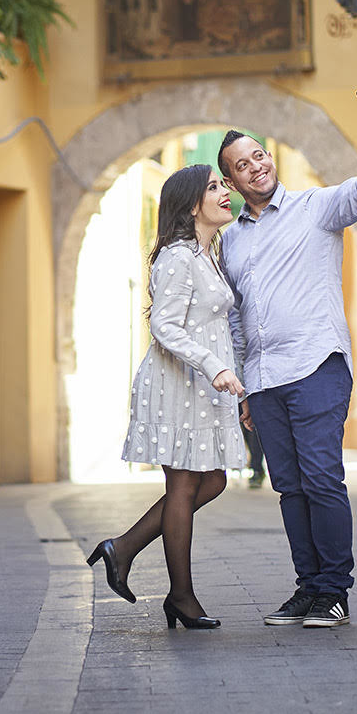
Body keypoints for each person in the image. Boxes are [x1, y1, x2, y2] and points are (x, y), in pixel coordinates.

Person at [216, 94, 357, 628]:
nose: (256, 166)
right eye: (242, 165)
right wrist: (246, 387)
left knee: (322, 479)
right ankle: (308, 587)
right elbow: (235, 319)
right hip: (266, 380)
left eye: (259, 156)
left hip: (317, 365)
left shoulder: (315, 208)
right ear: (231, 181)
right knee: (289, 487)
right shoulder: (231, 243)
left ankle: (335, 591)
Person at [86, 164, 246, 630]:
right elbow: (165, 326)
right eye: (214, 187)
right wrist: (215, 367)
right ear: (191, 204)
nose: (225, 190)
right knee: (184, 486)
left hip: (202, 385)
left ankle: (124, 547)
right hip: (178, 384)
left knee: (211, 481)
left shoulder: (206, 254)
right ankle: (181, 596)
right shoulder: (177, 256)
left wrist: (231, 379)